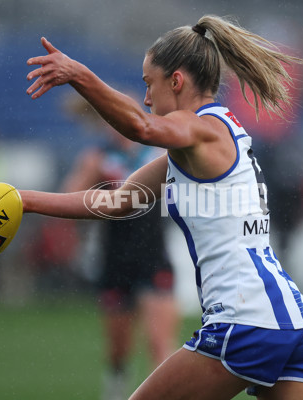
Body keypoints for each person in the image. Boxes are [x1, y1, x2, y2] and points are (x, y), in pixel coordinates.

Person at [0, 15, 303, 400]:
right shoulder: (200, 144)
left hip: (246, 321)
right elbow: (116, 202)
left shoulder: (203, 129)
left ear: (175, 81)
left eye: (149, 84)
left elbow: (140, 127)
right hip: (292, 322)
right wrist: (22, 200)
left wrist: (78, 75)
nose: (146, 99)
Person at [61, 97, 179, 400]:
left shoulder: (158, 154)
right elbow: (69, 199)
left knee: (159, 344)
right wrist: (92, 176)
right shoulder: (100, 158)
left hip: (154, 257)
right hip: (115, 259)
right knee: (118, 350)